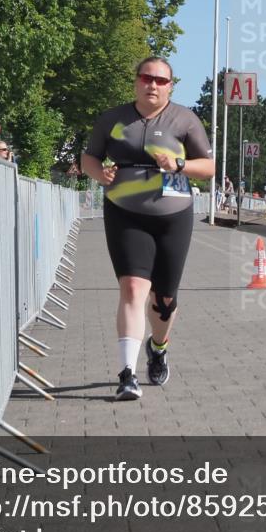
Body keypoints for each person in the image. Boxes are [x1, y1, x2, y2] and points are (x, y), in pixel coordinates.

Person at [82, 57, 215, 400]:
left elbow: (209, 167)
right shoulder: (112, 119)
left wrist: (180, 163)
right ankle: (127, 375)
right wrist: (99, 174)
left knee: (164, 300)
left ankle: (158, 346)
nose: (152, 85)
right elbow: (89, 158)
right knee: (132, 289)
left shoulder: (184, 119)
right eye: (146, 78)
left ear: (170, 85)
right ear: (136, 81)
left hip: (173, 215)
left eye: (160, 80)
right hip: (125, 212)